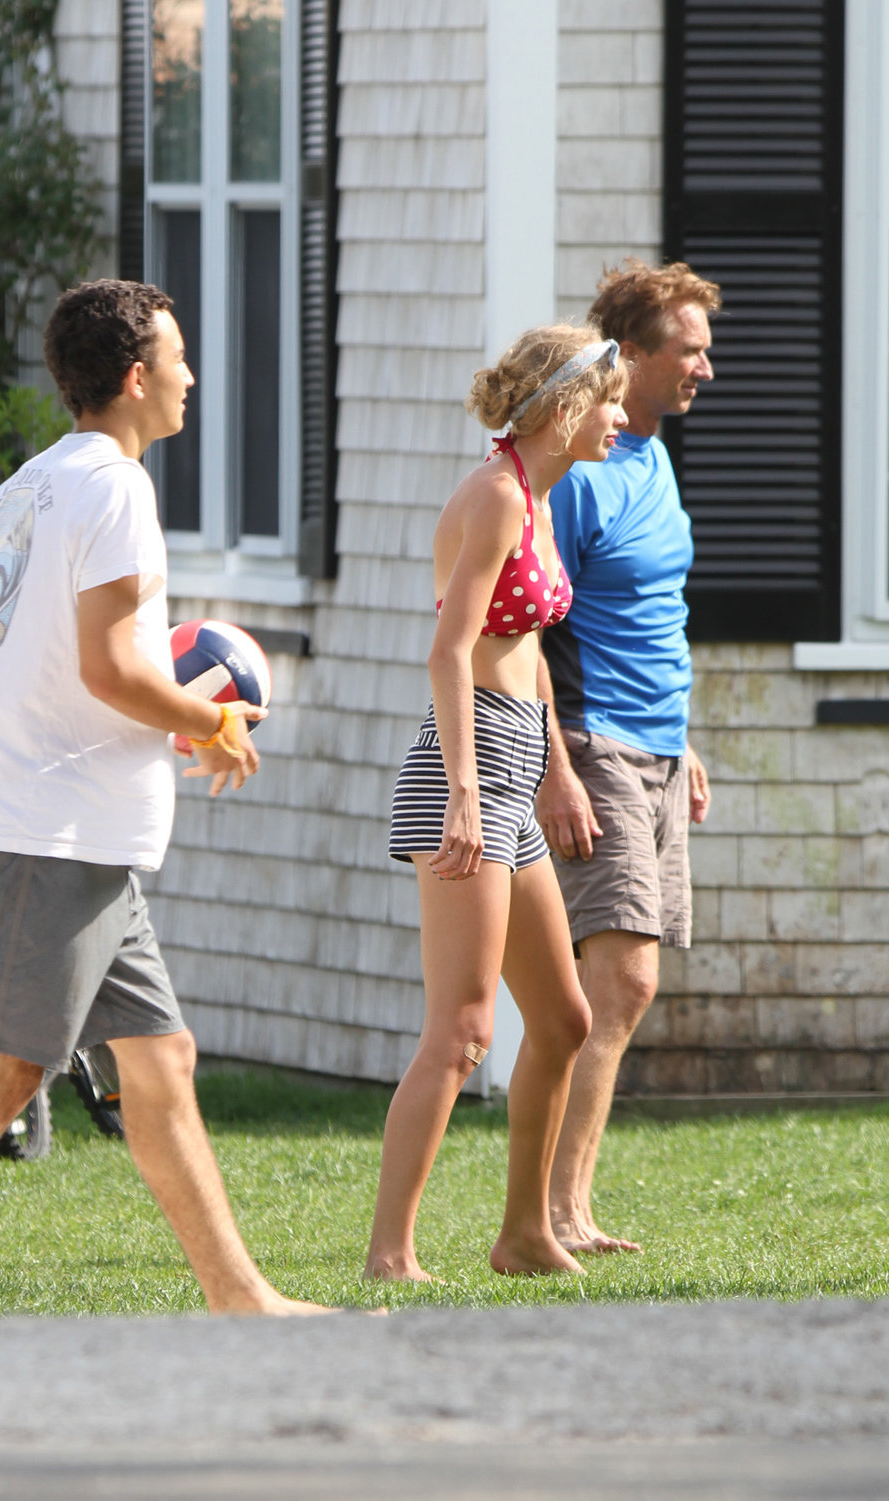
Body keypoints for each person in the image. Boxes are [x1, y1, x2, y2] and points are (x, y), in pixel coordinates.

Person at [0, 280, 335, 1323]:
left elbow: (50, 664)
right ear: (138, 375)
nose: (194, 375)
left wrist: (181, 715)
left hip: (72, 832)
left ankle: (242, 1299)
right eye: (180, 357)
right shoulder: (113, 489)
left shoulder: (27, 486)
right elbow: (110, 668)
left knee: (161, 1062)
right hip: (48, 833)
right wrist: (209, 719)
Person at [365, 325, 627, 1281]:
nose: (622, 417)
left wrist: (553, 768)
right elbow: (451, 652)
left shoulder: (541, 496)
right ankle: (391, 1255)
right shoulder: (495, 499)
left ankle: (523, 1234)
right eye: (609, 401)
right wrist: (468, 794)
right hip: (462, 767)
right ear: (565, 407)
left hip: (517, 761)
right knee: (465, 1028)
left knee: (561, 1020)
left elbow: (529, 661)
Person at [535, 260, 720, 1254]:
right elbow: (527, 624)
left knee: (620, 990)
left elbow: (651, 611)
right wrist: (556, 764)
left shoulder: (649, 453)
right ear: (633, 355)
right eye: (689, 350)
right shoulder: (581, 469)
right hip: (593, 740)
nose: (706, 369)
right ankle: (555, 1211)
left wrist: (683, 737)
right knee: (621, 985)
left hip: (653, 742)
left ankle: (567, 1205)